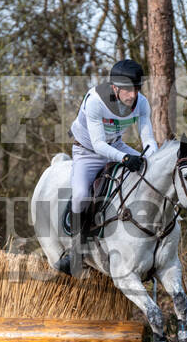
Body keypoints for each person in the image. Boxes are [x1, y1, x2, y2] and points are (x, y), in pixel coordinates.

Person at [55, 59, 158, 276]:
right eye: (128, 90)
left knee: (151, 174)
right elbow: (98, 145)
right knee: (81, 195)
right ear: (115, 88)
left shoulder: (142, 103)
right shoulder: (95, 101)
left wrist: (151, 160)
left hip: (117, 146)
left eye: (137, 88)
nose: (133, 95)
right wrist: (125, 159)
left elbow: (148, 139)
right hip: (87, 151)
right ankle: (76, 252)